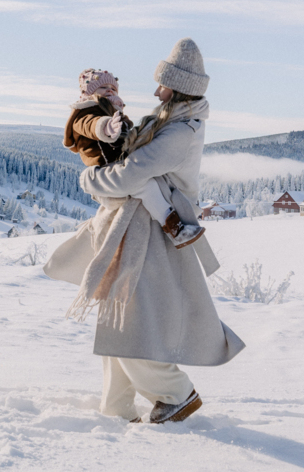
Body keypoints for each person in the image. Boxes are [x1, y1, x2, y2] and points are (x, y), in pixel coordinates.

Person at [45, 38, 245, 424]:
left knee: (131, 323)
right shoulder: (167, 119)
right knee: (119, 319)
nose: (155, 90)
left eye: (163, 84)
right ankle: (117, 408)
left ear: (180, 86)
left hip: (152, 235)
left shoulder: (180, 132)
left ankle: (176, 394)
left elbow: (129, 174)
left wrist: (89, 180)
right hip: (137, 229)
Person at [64, 68, 204, 247]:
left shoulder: (111, 110)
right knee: (147, 187)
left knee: (147, 187)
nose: (109, 90)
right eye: (103, 87)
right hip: (105, 167)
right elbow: (90, 125)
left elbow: (128, 130)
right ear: (88, 92)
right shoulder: (85, 112)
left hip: (117, 165)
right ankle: (174, 229)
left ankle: (171, 225)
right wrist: (107, 127)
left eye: (113, 88)